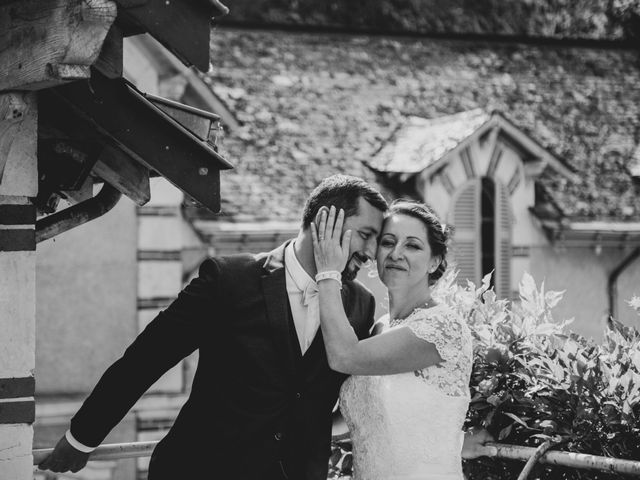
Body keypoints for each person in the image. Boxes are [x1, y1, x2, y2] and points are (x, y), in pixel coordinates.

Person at [38, 174, 388, 480]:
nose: (372, 252)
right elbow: (146, 359)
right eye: (366, 235)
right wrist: (82, 437)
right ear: (325, 221)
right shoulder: (228, 280)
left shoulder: (360, 306)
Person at [311, 199, 480, 480]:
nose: (396, 253)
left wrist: (327, 272)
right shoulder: (379, 328)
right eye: (388, 242)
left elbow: (343, 356)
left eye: (412, 245)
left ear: (434, 261)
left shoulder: (442, 327)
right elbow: (361, 422)